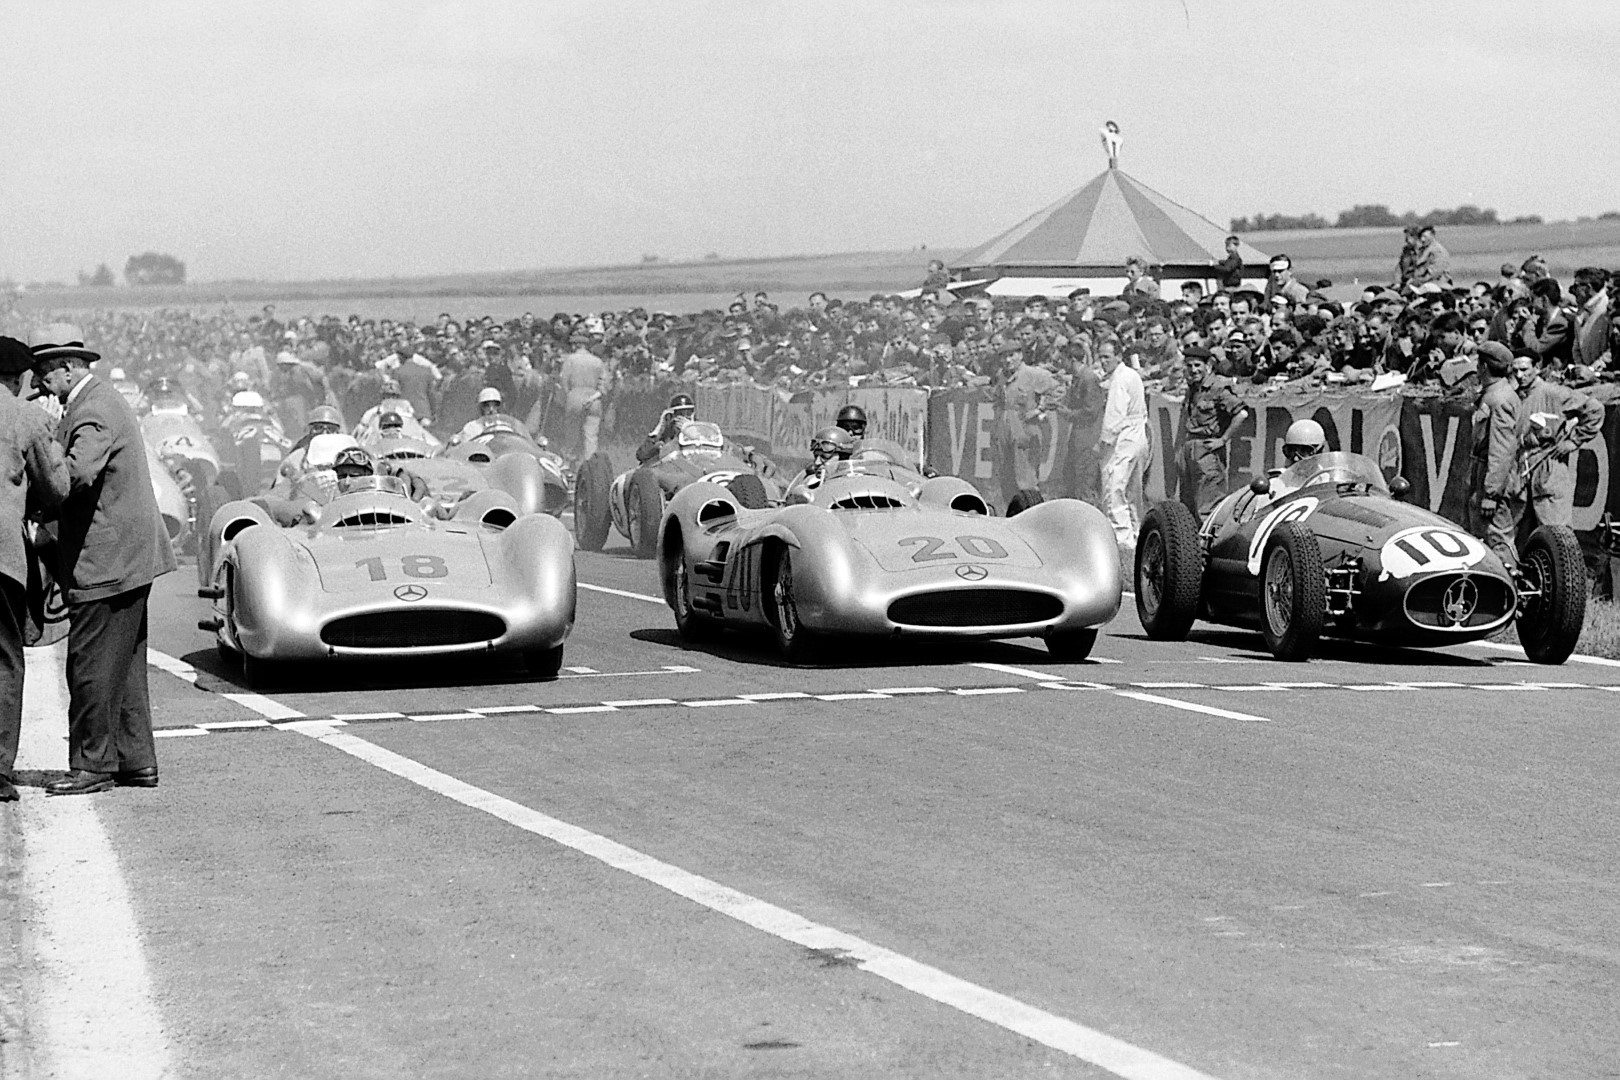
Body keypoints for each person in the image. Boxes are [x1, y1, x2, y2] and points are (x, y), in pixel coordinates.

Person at [29, 324, 176, 796]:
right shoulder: (104, 401)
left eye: (45, 378)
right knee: (125, 666)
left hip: (106, 560)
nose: (42, 390)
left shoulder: (91, 412)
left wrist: (32, 486)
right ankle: (136, 761)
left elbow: (74, 475)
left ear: (67, 368)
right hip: (129, 557)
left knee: (89, 664)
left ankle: (91, 764)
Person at [0, 337, 69, 802]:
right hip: (1, 558)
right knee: (4, 660)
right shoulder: (24, 416)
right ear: (23, 378)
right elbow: (58, 486)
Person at [1510, 351, 1604, 536]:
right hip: (1520, 471)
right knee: (1519, 539)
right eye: (1515, 371)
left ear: (1537, 368)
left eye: (1524, 370)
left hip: (1549, 468)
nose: (1519, 376)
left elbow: (1595, 410)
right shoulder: (1515, 397)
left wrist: (1573, 441)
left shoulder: (1554, 393)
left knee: (1556, 537)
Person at [1175, 346, 1249, 519]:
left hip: (1207, 450)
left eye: (1197, 365)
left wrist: (1223, 440)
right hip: (1189, 448)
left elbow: (1241, 413)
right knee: (1188, 506)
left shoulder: (1217, 387)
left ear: (1207, 365)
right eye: (1190, 366)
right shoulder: (1193, 388)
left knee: (1208, 506)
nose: (1194, 370)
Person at [1467, 342, 1522, 570]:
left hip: (1490, 480)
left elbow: (1501, 451)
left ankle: (1514, 591)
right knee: (1482, 539)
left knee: (1497, 539)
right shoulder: (1495, 395)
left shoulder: (1500, 399)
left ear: (1484, 367)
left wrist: (1491, 493)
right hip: (1482, 474)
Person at [992, 341, 1064, 511]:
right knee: (1006, 475)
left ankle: (1031, 514)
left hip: (1024, 428)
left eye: (1011, 355)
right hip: (1005, 426)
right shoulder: (1002, 376)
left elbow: (1059, 389)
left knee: (1026, 478)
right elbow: (997, 399)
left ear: (1020, 355)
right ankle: (1010, 514)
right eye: (1003, 357)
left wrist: (1040, 409)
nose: (1008, 360)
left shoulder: (1033, 374)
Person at [1094, 335, 1150, 551]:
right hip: (1138, 434)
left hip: (1124, 435)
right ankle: (1137, 532)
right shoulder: (1131, 374)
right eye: (1100, 357)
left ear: (1118, 356)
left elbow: (1114, 416)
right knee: (1132, 490)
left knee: (1114, 487)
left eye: (1107, 356)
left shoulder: (1120, 379)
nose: (1103, 361)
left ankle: (1122, 540)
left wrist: (1104, 442)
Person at [558, 328, 609, 461]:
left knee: (571, 433)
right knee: (591, 435)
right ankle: (590, 463)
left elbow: (564, 381)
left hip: (575, 395)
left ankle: (568, 461)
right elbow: (604, 385)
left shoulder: (570, 360)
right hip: (594, 397)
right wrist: (594, 396)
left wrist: (568, 395)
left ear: (576, 345)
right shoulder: (597, 361)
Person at [637, 392, 697, 463]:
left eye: (688, 413)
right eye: (679, 414)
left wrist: (693, 435)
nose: (684, 418)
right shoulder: (666, 438)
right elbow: (642, 455)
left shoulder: (700, 433)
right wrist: (658, 430)